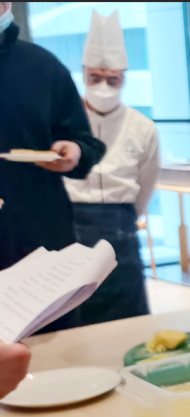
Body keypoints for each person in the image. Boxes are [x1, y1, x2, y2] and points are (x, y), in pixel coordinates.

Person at [0, 2, 107, 333]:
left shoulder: (42, 66)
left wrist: (74, 151)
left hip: (39, 235)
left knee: (55, 345)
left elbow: (85, 141)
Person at [65, 10, 160, 326]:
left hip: (121, 227)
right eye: (95, 78)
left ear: (124, 79)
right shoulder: (64, 123)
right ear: (83, 74)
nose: (103, 86)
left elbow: (148, 181)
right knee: (75, 316)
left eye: (112, 79)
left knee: (127, 320)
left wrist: (127, 215)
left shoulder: (143, 127)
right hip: (72, 223)